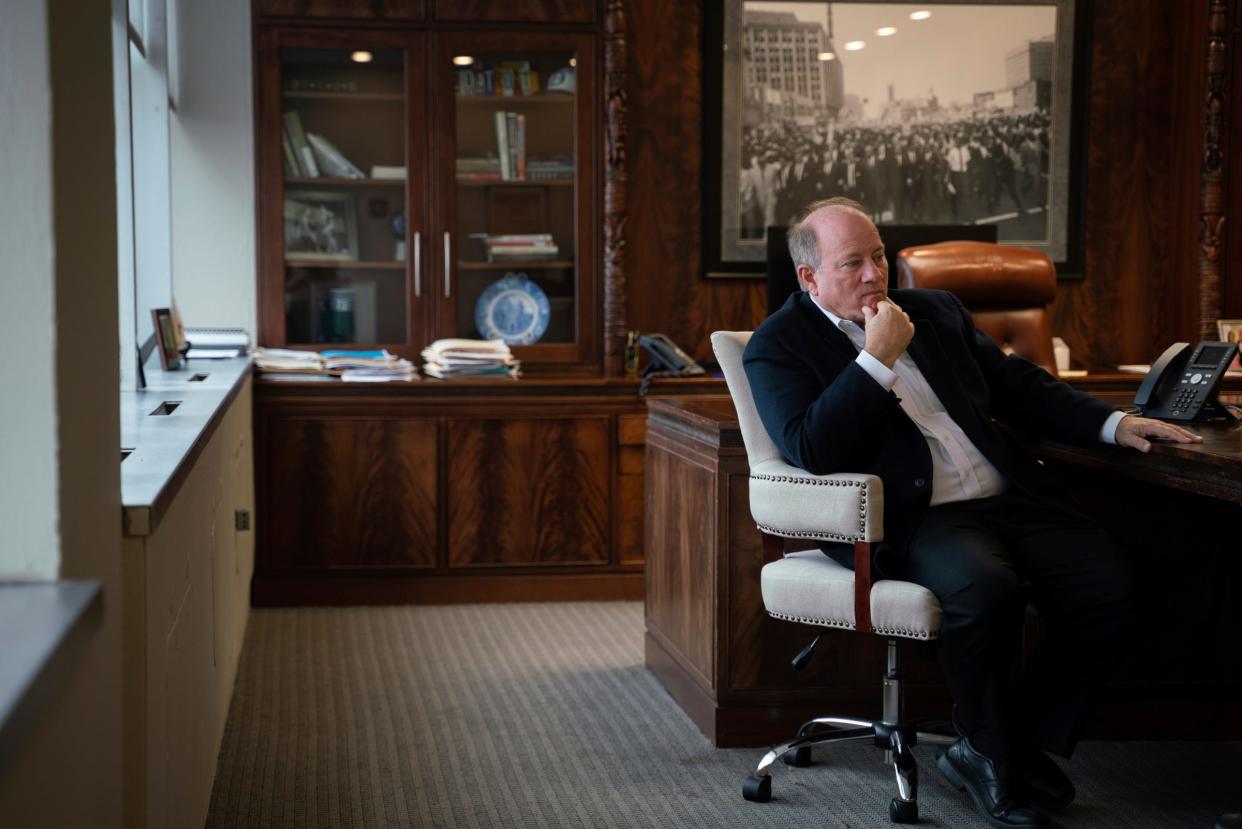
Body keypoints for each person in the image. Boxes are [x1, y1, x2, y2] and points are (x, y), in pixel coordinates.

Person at [743, 197, 1201, 828]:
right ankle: (998, 760)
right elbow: (812, 448)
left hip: (1006, 498)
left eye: (878, 256)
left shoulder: (935, 312)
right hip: (910, 517)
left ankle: (995, 745)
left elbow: (1019, 387)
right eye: (853, 264)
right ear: (809, 278)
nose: (876, 275)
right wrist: (874, 360)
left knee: (1113, 586)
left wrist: (1116, 423)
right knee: (986, 589)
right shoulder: (778, 345)